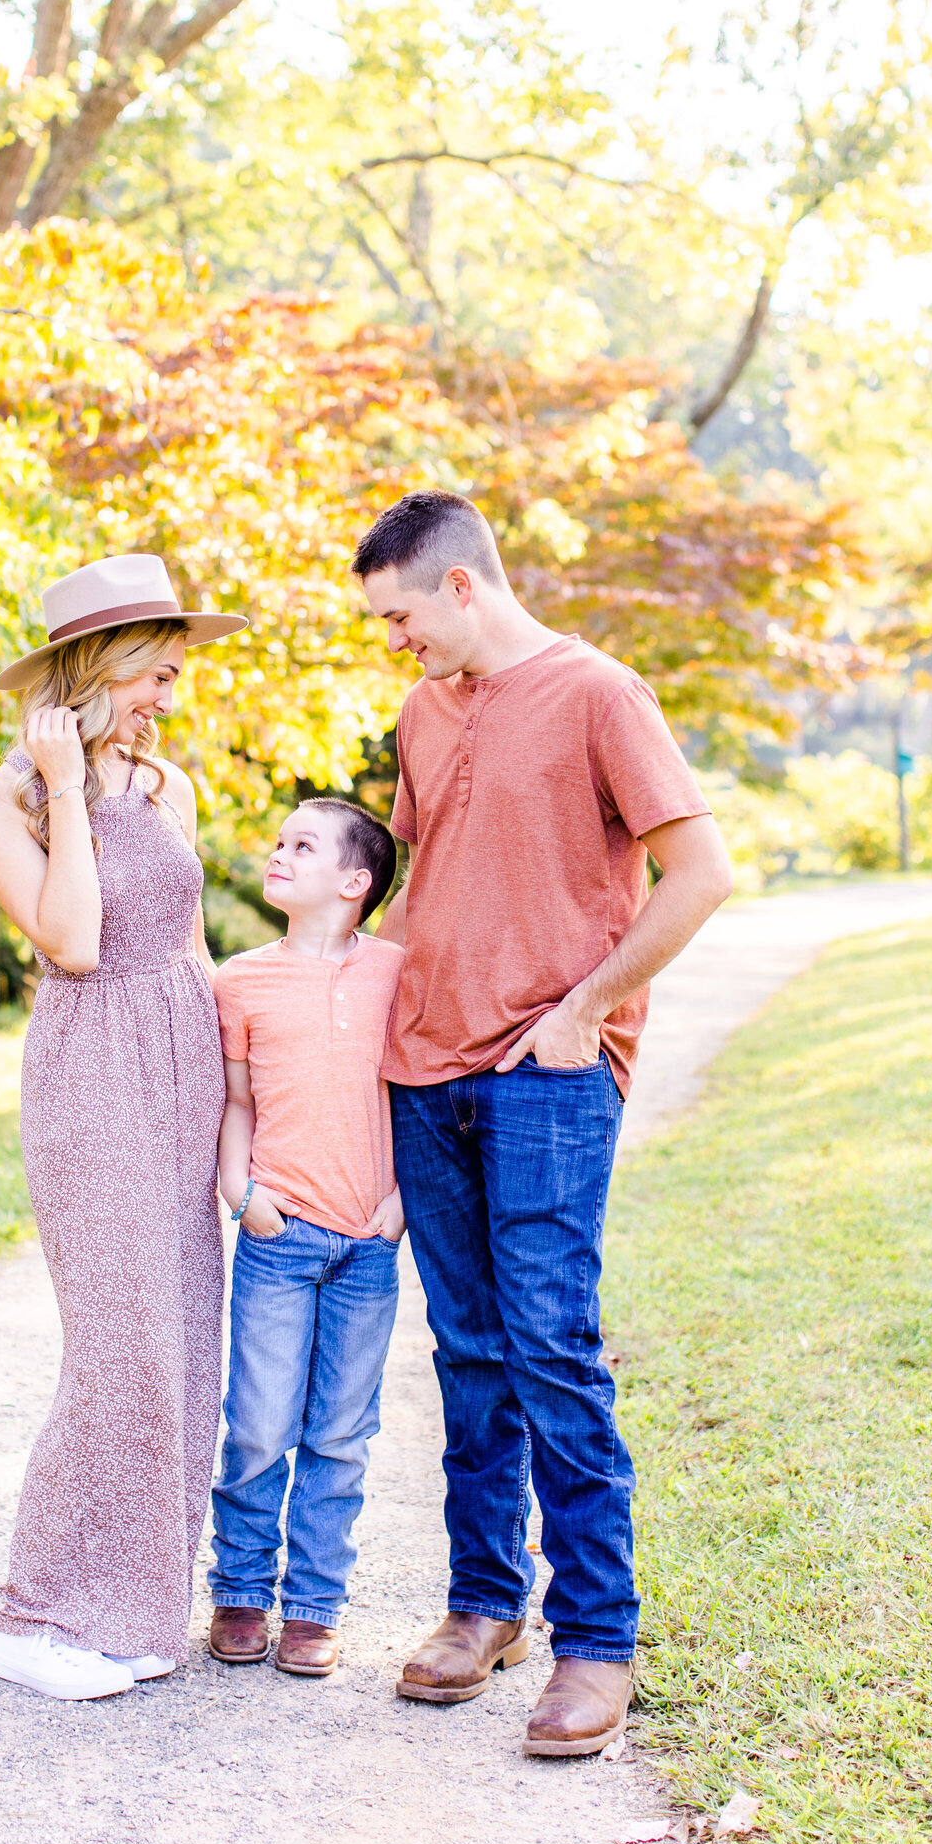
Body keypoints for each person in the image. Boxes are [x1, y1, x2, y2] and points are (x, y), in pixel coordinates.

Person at [353, 489, 734, 1758]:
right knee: (465, 1353)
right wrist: (343, 1016)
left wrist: (586, 1010)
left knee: (551, 1347)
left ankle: (597, 1639)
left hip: (546, 1072)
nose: (392, 641)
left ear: (462, 585)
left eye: (399, 615)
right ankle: (481, 1606)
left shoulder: (598, 695)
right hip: (424, 1071)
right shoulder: (421, 709)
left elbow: (704, 873)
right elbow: (418, 892)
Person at [0, 552, 246, 1703]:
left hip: (182, 1064)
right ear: (94, 668)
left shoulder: (172, 787)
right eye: (152, 676)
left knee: (181, 1341)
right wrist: (66, 784)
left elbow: (193, 947)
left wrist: (244, 1099)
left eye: (174, 677)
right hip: (90, 1069)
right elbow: (74, 941)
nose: (167, 699)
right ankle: (35, 1616)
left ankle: (132, 1611)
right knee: (117, 1344)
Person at [207, 799, 406, 1678]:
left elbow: (417, 1097)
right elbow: (238, 1101)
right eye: (279, 842)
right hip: (277, 1235)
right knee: (256, 1423)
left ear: (355, 883)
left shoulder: (400, 973)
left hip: (370, 1243)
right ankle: (242, 1590)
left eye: (302, 845)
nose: (278, 854)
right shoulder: (240, 980)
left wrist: (400, 1203)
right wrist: (239, 1189)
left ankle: (315, 1606)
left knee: (340, 1434)